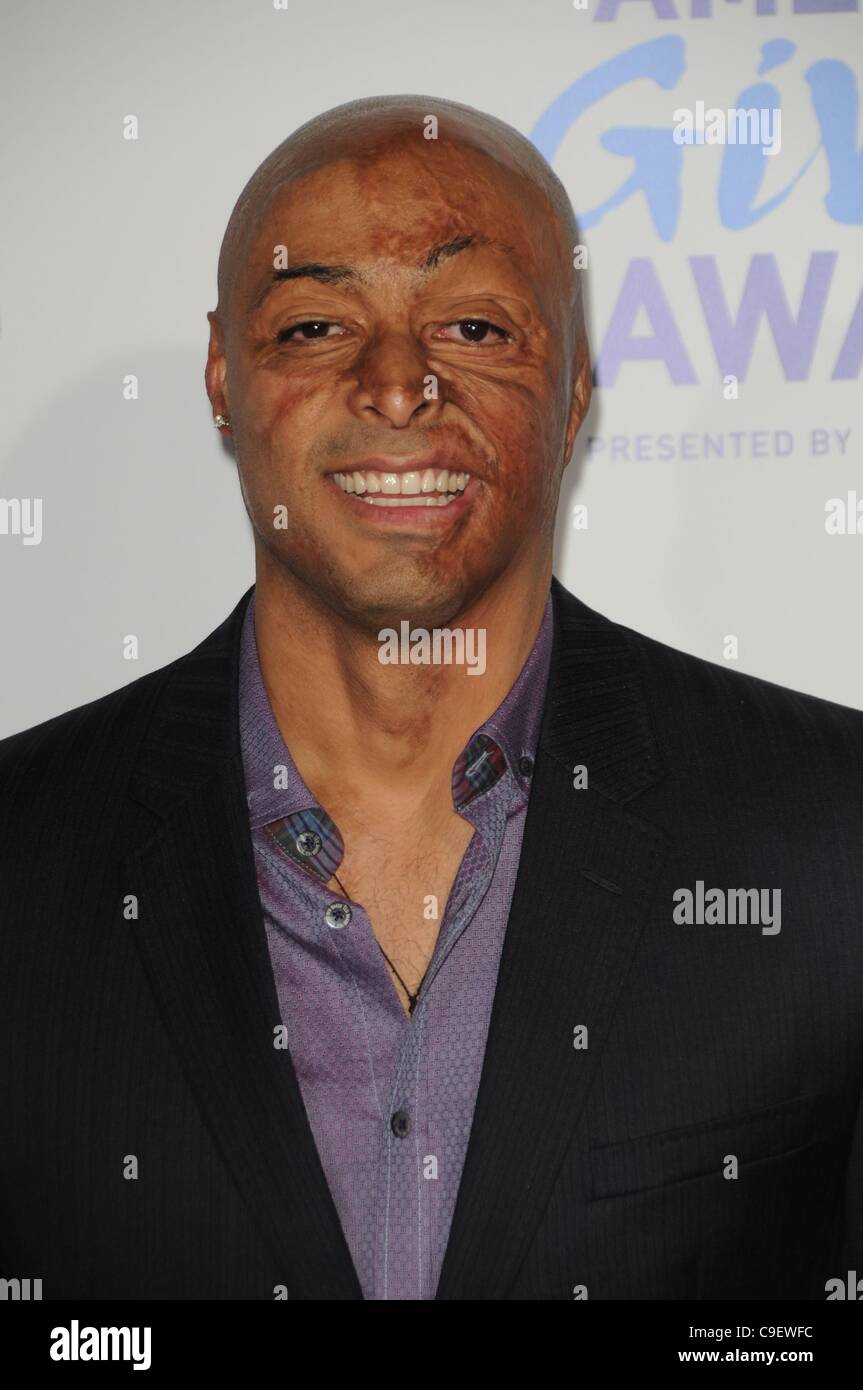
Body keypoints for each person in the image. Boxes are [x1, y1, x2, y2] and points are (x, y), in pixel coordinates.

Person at [1, 94, 861, 1301]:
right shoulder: (22, 859)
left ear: (571, 390)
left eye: (470, 325)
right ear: (221, 376)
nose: (397, 384)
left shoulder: (832, 834)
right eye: (312, 323)